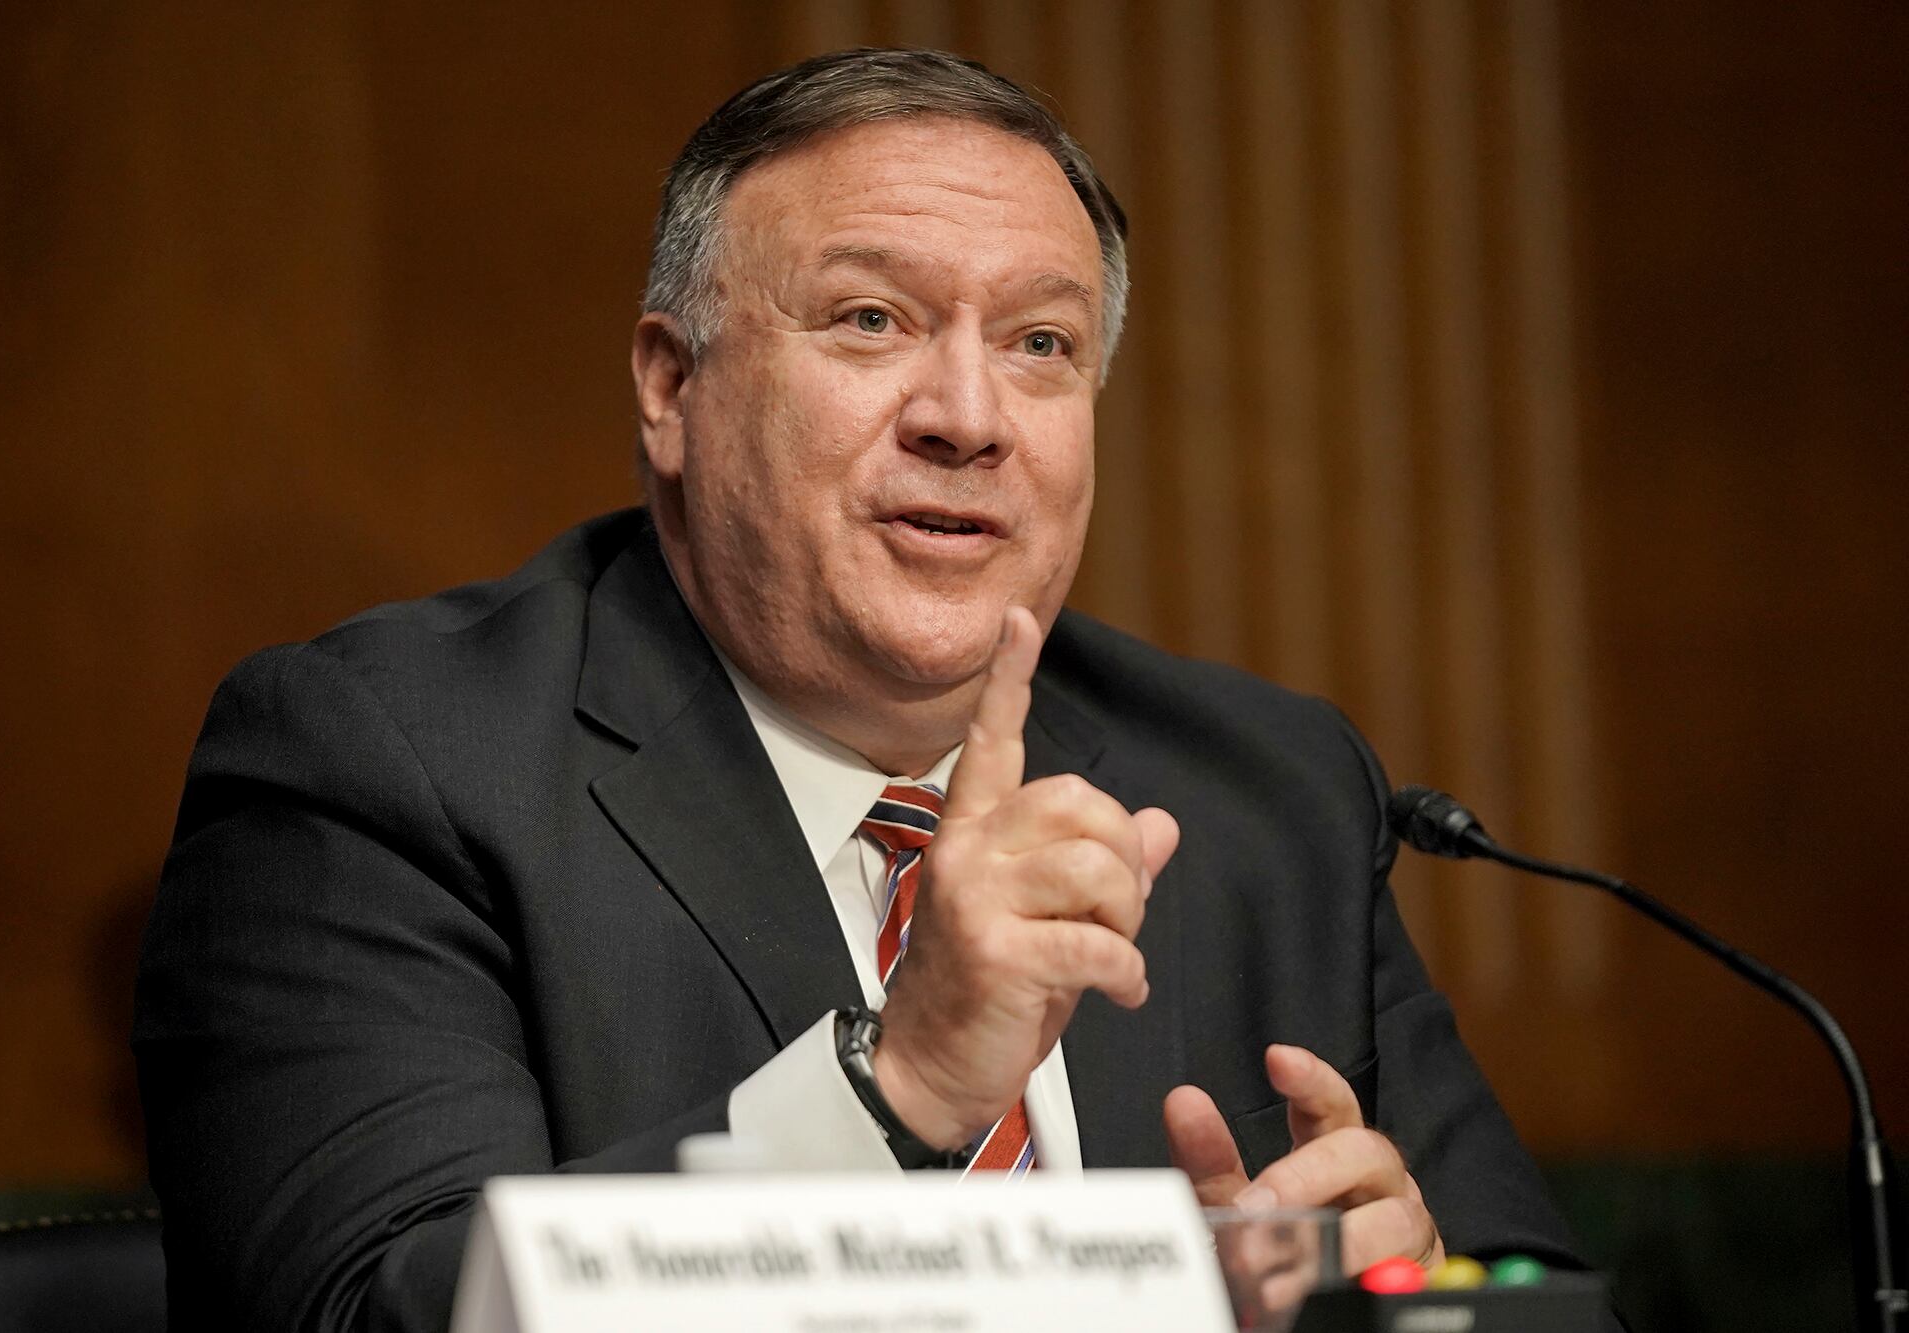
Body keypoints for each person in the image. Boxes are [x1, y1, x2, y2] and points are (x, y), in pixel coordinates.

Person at [135, 47, 1590, 1332]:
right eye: (871, 322)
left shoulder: (1267, 791)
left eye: (1041, 345)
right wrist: (888, 1090)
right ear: (671, 385)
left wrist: (1423, 1289)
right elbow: (369, 1307)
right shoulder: (389, 766)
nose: (967, 417)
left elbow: (1541, 1299)